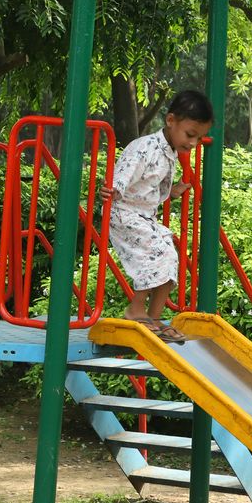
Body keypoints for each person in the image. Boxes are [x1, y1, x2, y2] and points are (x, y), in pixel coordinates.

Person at [100, 89, 214, 343]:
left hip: (143, 215)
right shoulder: (144, 148)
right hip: (123, 212)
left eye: (199, 138)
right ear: (170, 120)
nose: (193, 143)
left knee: (170, 255)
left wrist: (172, 192)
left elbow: (148, 185)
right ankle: (135, 310)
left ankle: (153, 318)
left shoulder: (169, 151)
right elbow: (124, 175)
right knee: (157, 250)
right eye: (190, 135)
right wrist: (112, 189)